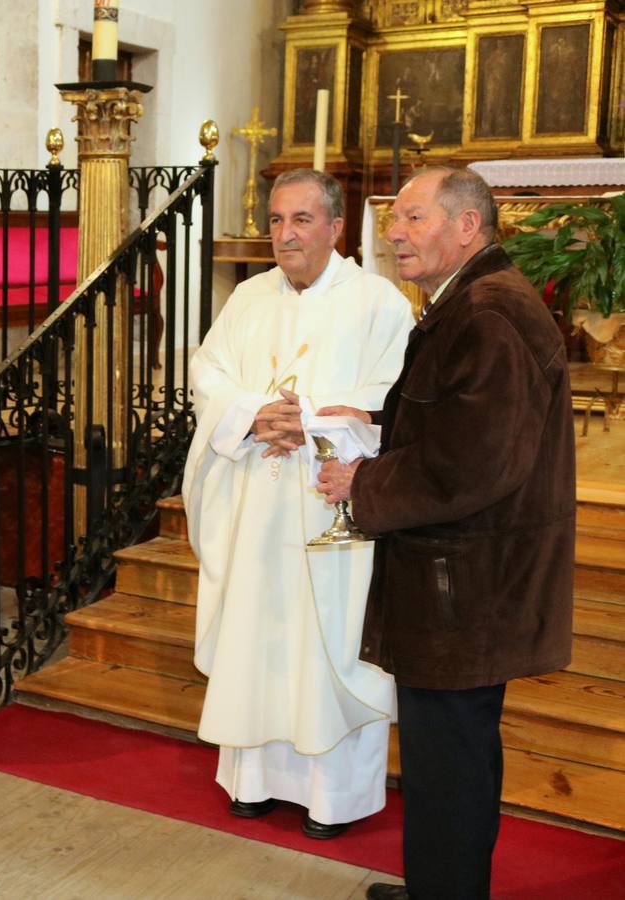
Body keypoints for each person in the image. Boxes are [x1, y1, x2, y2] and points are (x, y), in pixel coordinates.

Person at [318, 168, 575, 900]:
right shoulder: (469, 300)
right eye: (395, 219)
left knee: (452, 762)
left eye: (413, 218)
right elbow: (460, 427)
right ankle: (438, 885)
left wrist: (361, 483)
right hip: (459, 581)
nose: (394, 232)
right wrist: (375, 428)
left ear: (467, 226)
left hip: (468, 587)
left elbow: (472, 466)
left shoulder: (488, 314)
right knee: (439, 761)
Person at [181, 169, 414, 838]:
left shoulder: (380, 304)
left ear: (337, 228)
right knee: (258, 634)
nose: (285, 235)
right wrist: (253, 415)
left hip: (327, 502)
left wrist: (311, 420)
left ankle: (331, 797)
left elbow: (391, 399)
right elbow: (209, 373)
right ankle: (252, 779)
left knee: (326, 641)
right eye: (277, 221)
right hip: (257, 501)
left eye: (302, 220)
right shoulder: (249, 298)